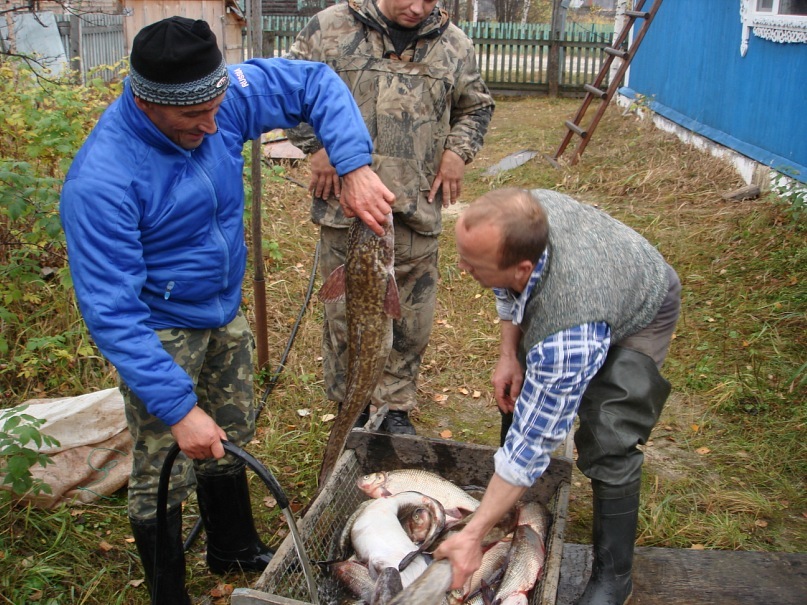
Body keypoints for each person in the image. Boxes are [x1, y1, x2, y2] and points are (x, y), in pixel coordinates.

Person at [59, 16, 394, 604]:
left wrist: (353, 162)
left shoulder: (223, 99)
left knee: (230, 430)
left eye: (217, 108)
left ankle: (232, 545)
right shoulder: (103, 180)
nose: (214, 126)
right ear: (147, 101)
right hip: (158, 327)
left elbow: (314, 81)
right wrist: (177, 407)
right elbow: (112, 312)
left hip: (221, 306)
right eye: (194, 119)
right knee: (168, 455)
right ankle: (168, 590)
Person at [434, 188, 681, 605]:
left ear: (523, 267)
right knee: (525, 382)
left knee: (610, 435)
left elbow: (535, 443)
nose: (461, 269)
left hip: (643, 305)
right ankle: (510, 503)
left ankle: (614, 577)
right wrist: (509, 354)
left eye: (472, 266)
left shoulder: (568, 334)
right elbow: (508, 287)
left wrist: (471, 535)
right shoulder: (518, 215)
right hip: (589, 286)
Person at [284, 0, 495, 434]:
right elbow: (288, 91)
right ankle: (352, 407)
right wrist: (316, 146)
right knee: (346, 316)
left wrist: (457, 152)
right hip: (346, 211)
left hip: (414, 208)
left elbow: (476, 106)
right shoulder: (328, 28)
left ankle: (394, 409)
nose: (417, 8)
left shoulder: (454, 44)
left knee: (410, 318)